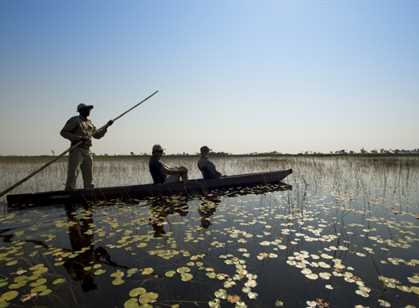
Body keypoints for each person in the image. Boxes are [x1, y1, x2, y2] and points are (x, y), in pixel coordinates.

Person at [61, 103, 113, 190]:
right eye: (86, 109)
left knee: (89, 174)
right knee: (73, 173)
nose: (88, 111)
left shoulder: (89, 123)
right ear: (81, 111)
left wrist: (106, 126)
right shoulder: (75, 120)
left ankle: (89, 192)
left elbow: (97, 135)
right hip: (77, 150)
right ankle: (69, 192)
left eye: (89, 109)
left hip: (87, 151)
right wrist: (79, 138)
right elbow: (64, 132)